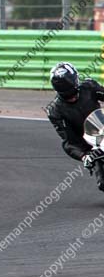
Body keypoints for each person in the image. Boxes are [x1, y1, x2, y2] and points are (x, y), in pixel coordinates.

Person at [47, 62, 104, 191]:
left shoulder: (89, 87)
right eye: (67, 96)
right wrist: (84, 156)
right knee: (103, 184)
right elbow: (69, 142)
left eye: (73, 93)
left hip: (103, 127)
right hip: (90, 145)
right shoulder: (55, 111)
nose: (72, 98)